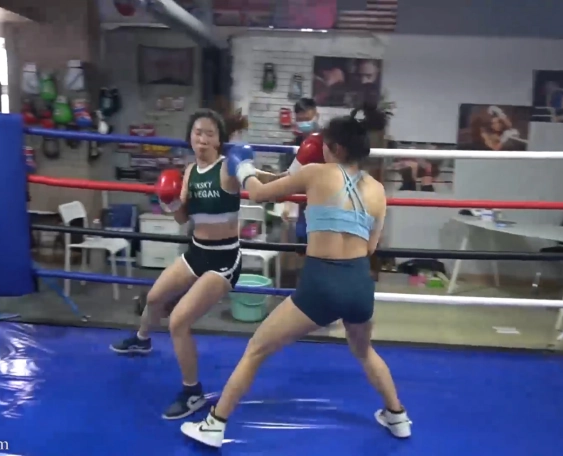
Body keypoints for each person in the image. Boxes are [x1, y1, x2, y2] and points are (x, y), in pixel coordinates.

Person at [180, 114, 412, 447]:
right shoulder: (378, 190)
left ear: (335, 148)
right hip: (361, 285)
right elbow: (371, 247)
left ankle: (214, 425)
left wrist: (242, 167)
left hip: (322, 283)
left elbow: (259, 194)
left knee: (257, 348)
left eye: (325, 144)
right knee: (363, 350)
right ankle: (397, 416)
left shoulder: (315, 173)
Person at [109, 109, 278, 420]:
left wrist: (296, 177)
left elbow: (261, 181)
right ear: (190, 137)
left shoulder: (229, 166)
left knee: (178, 322)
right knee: (154, 297)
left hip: (223, 260)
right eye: (198, 132)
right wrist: (170, 202)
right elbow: (182, 218)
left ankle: (193, 393)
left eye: (210, 133)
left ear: (219, 140)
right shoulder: (189, 172)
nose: (203, 138)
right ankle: (142, 340)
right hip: (197, 252)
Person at [282, 98, 321, 243]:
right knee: (301, 238)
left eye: (307, 119)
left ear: (316, 115)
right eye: (300, 120)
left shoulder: (328, 142)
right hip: (301, 200)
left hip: (323, 198)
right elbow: (287, 176)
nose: (304, 123)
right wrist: (287, 204)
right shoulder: (293, 146)